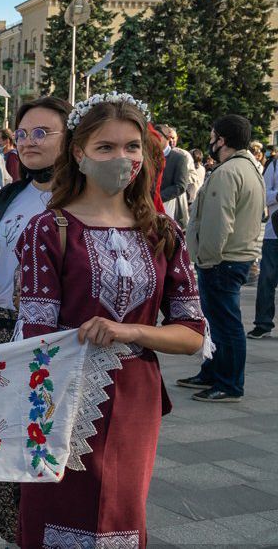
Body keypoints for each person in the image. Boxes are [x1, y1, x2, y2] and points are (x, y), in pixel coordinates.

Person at [12, 92, 204, 548]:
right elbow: (36, 334)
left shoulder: (163, 231)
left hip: (136, 398)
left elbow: (192, 334)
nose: (122, 158)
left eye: (132, 146)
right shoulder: (49, 228)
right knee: (54, 515)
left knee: (121, 515)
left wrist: (131, 331)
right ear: (78, 154)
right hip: (59, 397)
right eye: (106, 147)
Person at [0, 96, 71, 546]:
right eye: (22, 133)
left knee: (47, 455)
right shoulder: (8, 198)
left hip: (56, 342)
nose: (29, 141)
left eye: (42, 133)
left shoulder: (83, 202)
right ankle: (13, 537)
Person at [180, 115, 265, 401]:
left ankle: (229, 383)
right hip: (234, 258)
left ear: (222, 140)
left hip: (222, 261)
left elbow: (218, 223)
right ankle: (212, 371)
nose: (210, 140)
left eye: (213, 135)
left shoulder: (228, 172)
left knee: (225, 324)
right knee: (218, 322)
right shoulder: (249, 167)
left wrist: (207, 259)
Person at [253, 148, 278, 340]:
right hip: (273, 233)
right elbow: (263, 192)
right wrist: (276, 196)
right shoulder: (274, 164)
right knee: (267, 279)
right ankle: (263, 323)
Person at [157, 124, 194, 227]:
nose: (154, 140)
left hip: (168, 208)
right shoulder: (147, 156)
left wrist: (157, 198)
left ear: (167, 138)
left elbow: (181, 185)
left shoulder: (179, 157)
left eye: (158, 136)